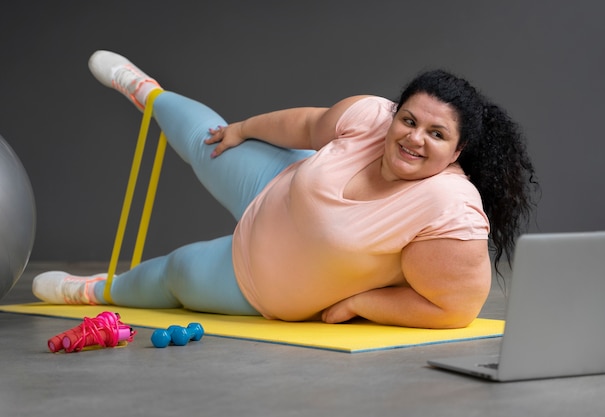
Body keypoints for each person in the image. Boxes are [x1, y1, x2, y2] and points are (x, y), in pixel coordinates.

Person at [33, 50, 537, 329]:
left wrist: (360, 304)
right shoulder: (370, 117)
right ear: (394, 114)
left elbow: (457, 309)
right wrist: (245, 128)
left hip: (261, 281)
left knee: (174, 274)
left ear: (458, 149)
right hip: (275, 186)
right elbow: (309, 125)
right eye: (408, 120)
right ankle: (147, 91)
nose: (413, 137)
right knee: (208, 139)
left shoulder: (451, 206)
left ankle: (93, 290)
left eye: (436, 134)